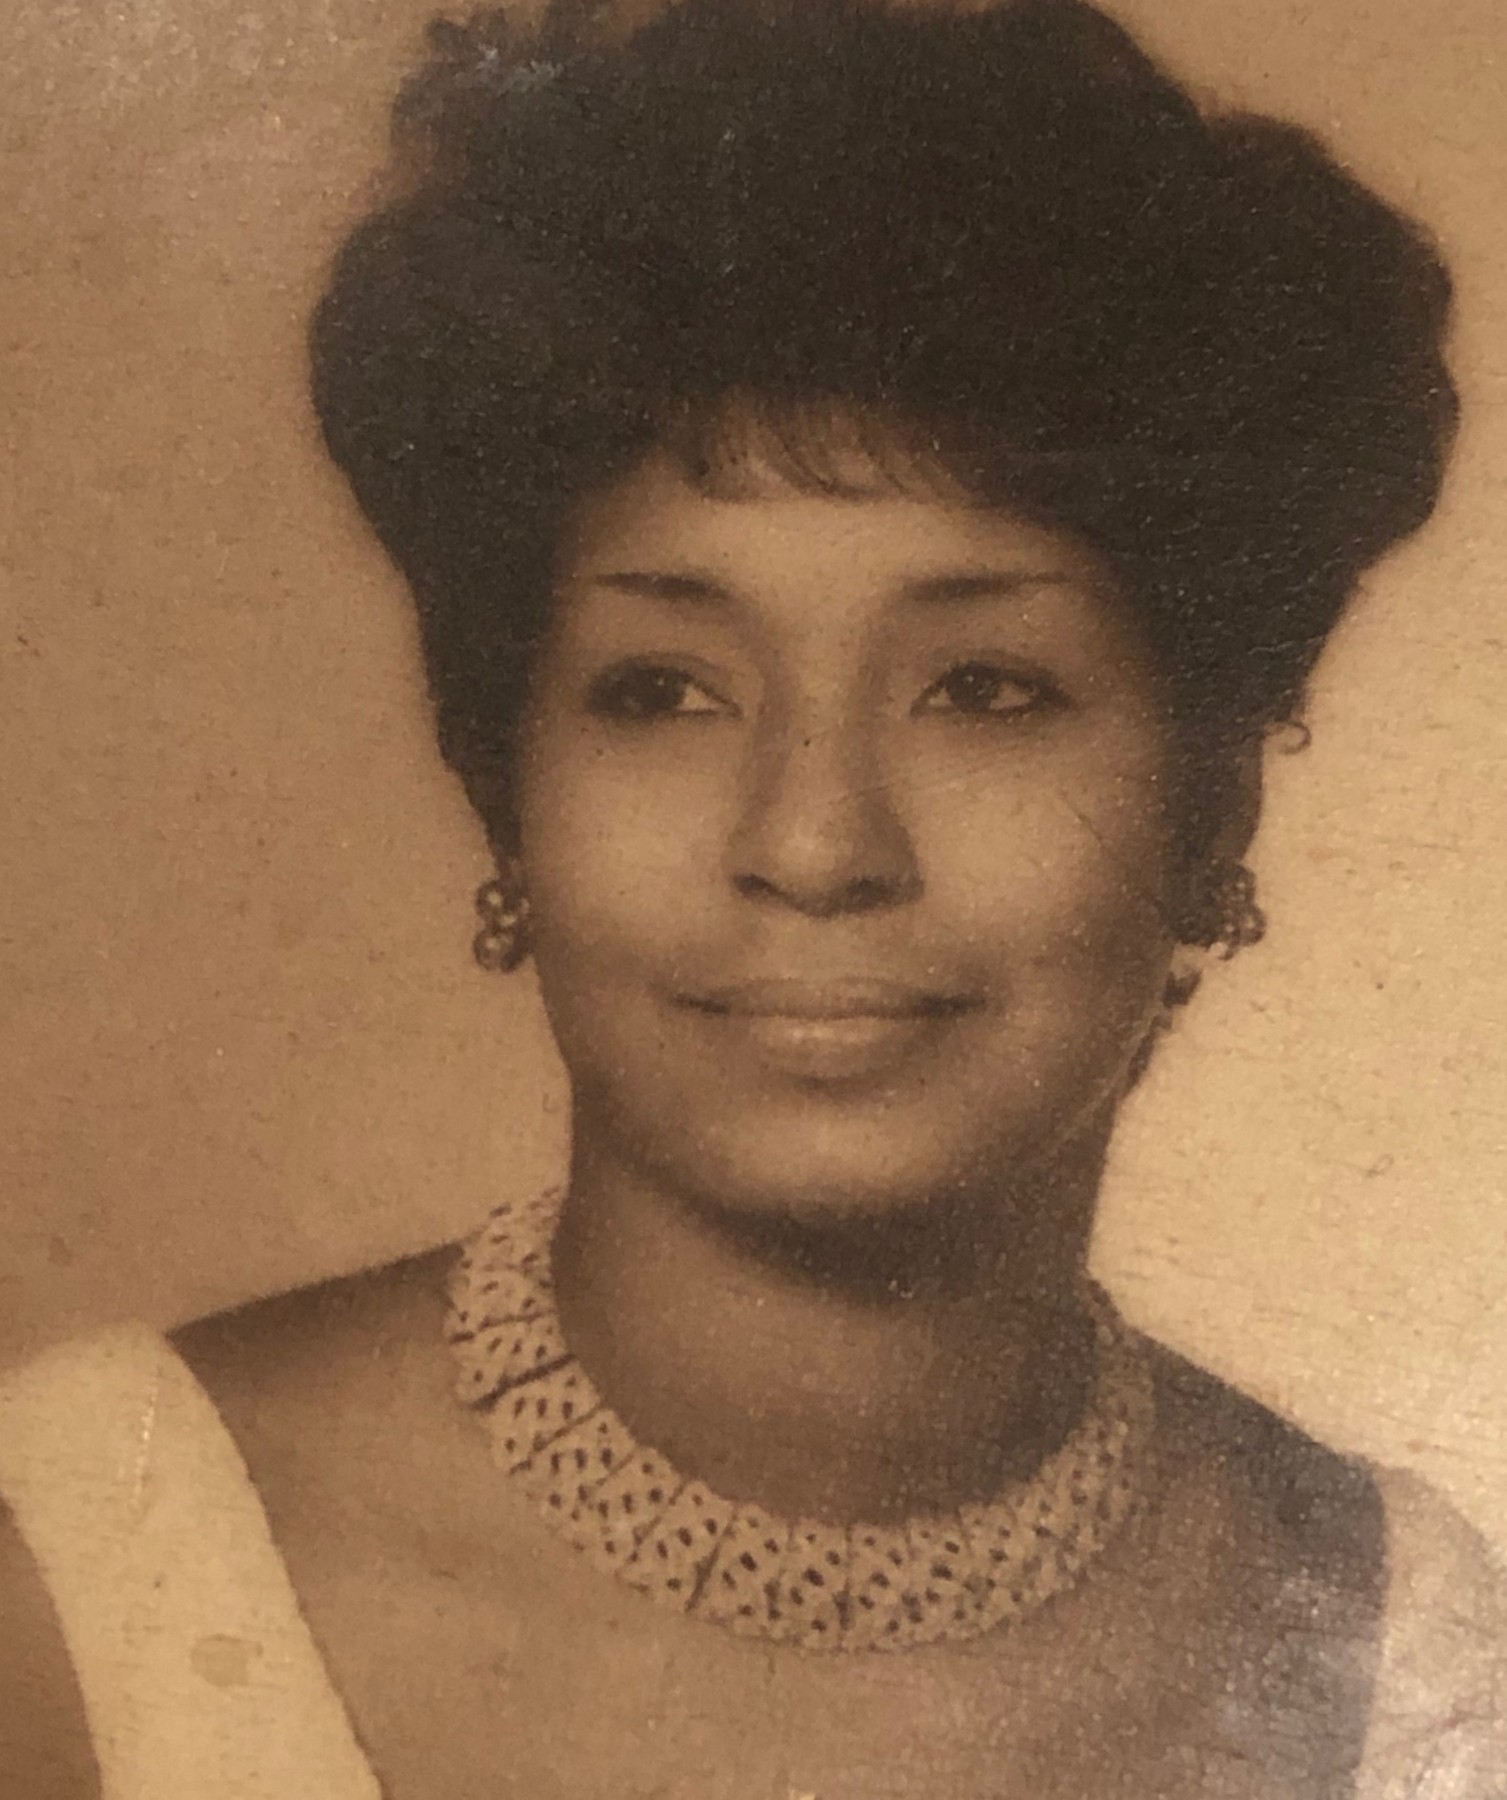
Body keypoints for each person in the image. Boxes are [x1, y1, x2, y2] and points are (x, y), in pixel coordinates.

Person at [2, 1, 1504, 1794]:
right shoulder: (82, 1572)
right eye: (664, 690)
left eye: (985, 688)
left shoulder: (1406, 1658)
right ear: (505, 782)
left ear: (1213, 796)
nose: (814, 842)